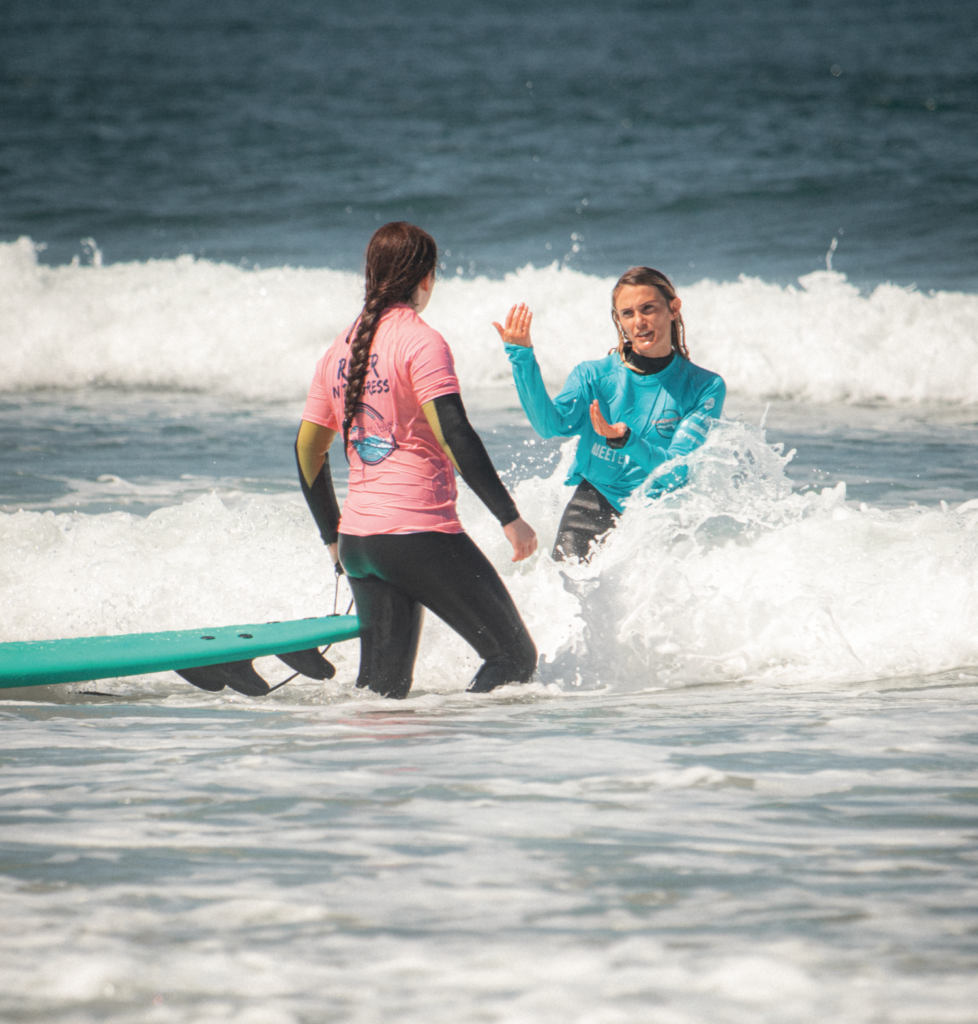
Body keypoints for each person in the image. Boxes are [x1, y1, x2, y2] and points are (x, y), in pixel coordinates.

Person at [296, 222, 538, 699]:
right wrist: (510, 518)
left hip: (360, 543)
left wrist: (333, 538)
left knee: (382, 693)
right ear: (425, 277)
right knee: (513, 659)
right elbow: (455, 435)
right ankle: (470, 766)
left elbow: (308, 450)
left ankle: (376, 771)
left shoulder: (336, 351)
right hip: (416, 535)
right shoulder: (421, 341)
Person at [493, 266, 725, 561]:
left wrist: (627, 439)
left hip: (663, 514)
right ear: (619, 321)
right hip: (595, 504)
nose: (639, 322)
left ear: (673, 308)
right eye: (627, 314)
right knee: (567, 600)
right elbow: (549, 426)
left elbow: (677, 471)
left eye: (648, 309)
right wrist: (521, 358)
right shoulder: (592, 376)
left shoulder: (704, 386)